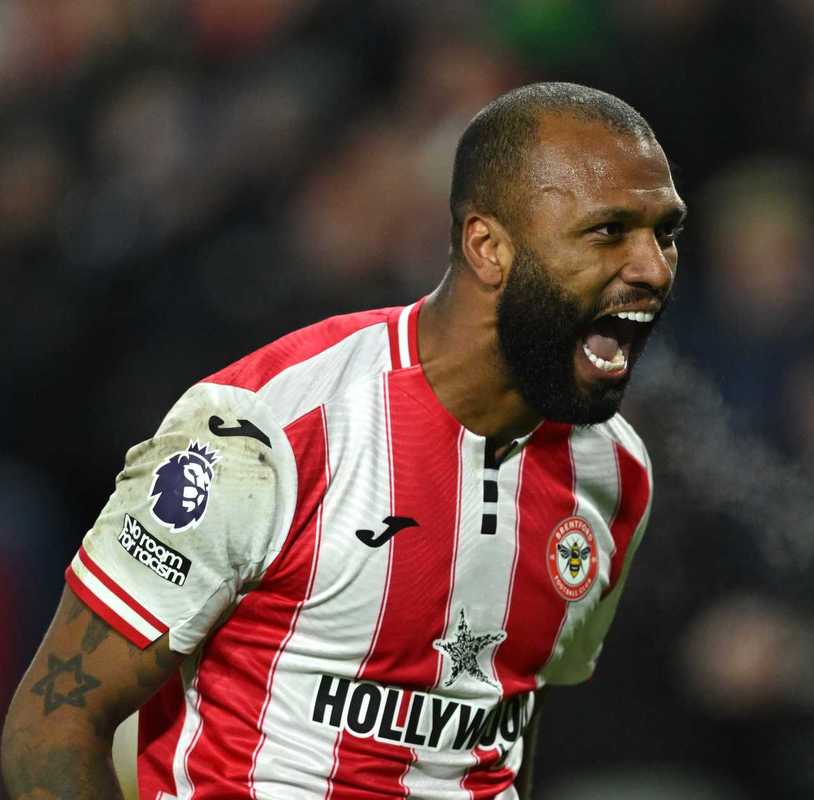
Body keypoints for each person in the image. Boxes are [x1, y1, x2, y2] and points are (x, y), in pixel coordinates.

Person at [1, 82, 686, 800]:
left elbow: (505, 724)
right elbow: (51, 728)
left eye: (665, 232)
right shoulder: (266, 434)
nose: (654, 268)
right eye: (609, 231)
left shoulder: (615, 475)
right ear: (489, 247)